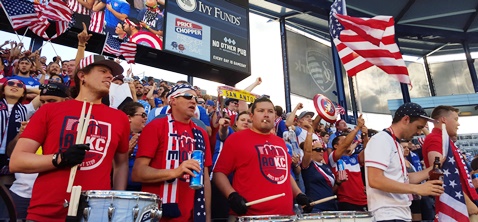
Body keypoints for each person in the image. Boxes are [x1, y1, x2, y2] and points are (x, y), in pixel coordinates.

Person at [9, 25, 130, 222]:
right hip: (45, 212)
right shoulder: (51, 110)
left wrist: (117, 202)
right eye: (103, 71)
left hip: (95, 214)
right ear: (82, 76)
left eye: (111, 73)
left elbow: (121, 164)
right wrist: (60, 159)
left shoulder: (119, 118)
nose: (110, 76)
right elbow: (17, 161)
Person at [212, 97, 311, 220]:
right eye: (261, 110)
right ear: (252, 116)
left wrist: (299, 194)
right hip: (249, 216)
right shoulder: (236, 139)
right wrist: (232, 195)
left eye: (270, 111)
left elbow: (284, 173)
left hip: (286, 215)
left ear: (275, 116)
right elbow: (219, 173)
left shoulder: (280, 142)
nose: (266, 114)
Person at [132, 84, 212, 222]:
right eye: (188, 96)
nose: (193, 101)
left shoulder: (201, 133)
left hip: (191, 215)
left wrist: (207, 217)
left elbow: (205, 179)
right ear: (172, 100)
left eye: (196, 98)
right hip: (157, 215)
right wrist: (174, 172)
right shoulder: (155, 126)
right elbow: (138, 173)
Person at [365, 102, 444, 222]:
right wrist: (417, 189)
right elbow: (375, 180)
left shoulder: (394, 143)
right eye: (418, 127)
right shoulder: (381, 140)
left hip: (399, 213)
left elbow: (403, 179)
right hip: (387, 214)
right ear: (406, 119)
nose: (419, 133)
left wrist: (431, 169)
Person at [5, 82, 69, 220]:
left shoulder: (71, 124)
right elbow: (11, 154)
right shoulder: (33, 120)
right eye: (42, 102)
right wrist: (20, 136)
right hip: (20, 193)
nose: (45, 106)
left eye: (52, 101)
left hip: (51, 196)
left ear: (67, 101)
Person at [422, 105, 478, 218]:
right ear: (444, 119)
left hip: (463, 200)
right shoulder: (435, 139)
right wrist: (467, 203)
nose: (458, 124)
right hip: (457, 204)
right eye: (456, 119)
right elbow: (439, 174)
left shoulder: (444, 139)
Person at [328, 115, 368, 211]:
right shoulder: (334, 158)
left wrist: (365, 135)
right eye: (345, 140)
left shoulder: (356, 158)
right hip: (346, 201)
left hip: (363, 200)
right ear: (336, 146)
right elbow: (345, 144)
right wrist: (357, 127)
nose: (349, 142)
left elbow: (368, 150)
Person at [119, 101, 146, 191]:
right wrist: (126, 153)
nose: (146, 118)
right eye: (142, 115)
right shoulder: (118, 136)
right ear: (129, 117)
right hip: (120, 191)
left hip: (142, 190)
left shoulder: (146, 138)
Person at [401, 139, 422, 222]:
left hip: (416, 196)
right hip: (406, 196)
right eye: (404, 147)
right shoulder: (397, 163)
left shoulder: (409, 162)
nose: (407, 149)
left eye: (408, 147)